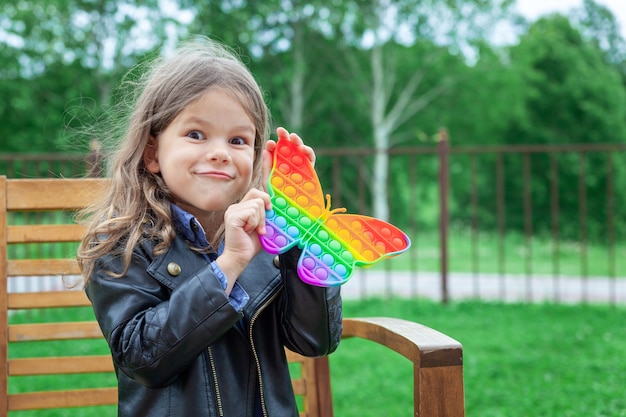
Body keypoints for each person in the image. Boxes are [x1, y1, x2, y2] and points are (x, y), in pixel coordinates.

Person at [77, 37, 342, 417]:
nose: (219, 151)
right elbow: (142, 358)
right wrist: (229, 264)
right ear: (153, 152)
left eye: (237, 140)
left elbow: (314, 340)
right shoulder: (121, 244)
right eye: (196, 134)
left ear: (254, 160)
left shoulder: (270, 238)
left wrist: (305, 236)